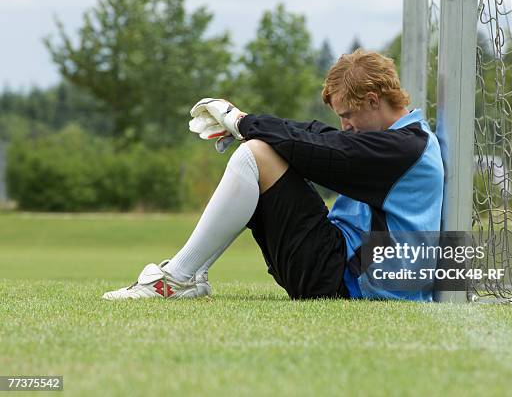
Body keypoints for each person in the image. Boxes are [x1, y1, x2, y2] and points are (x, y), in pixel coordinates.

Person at [102, 49, 444, 301]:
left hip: (348, 284)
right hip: (338, 269)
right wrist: (247, 126)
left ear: (373, 101)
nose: (345, 126)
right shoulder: (401, 142)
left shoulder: (405, 148)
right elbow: (320, 141)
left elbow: (328, 148)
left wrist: (242, 122)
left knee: (257, 154)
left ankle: (176, 278)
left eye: (348, 114)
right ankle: (192, 275)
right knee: (266, 149)